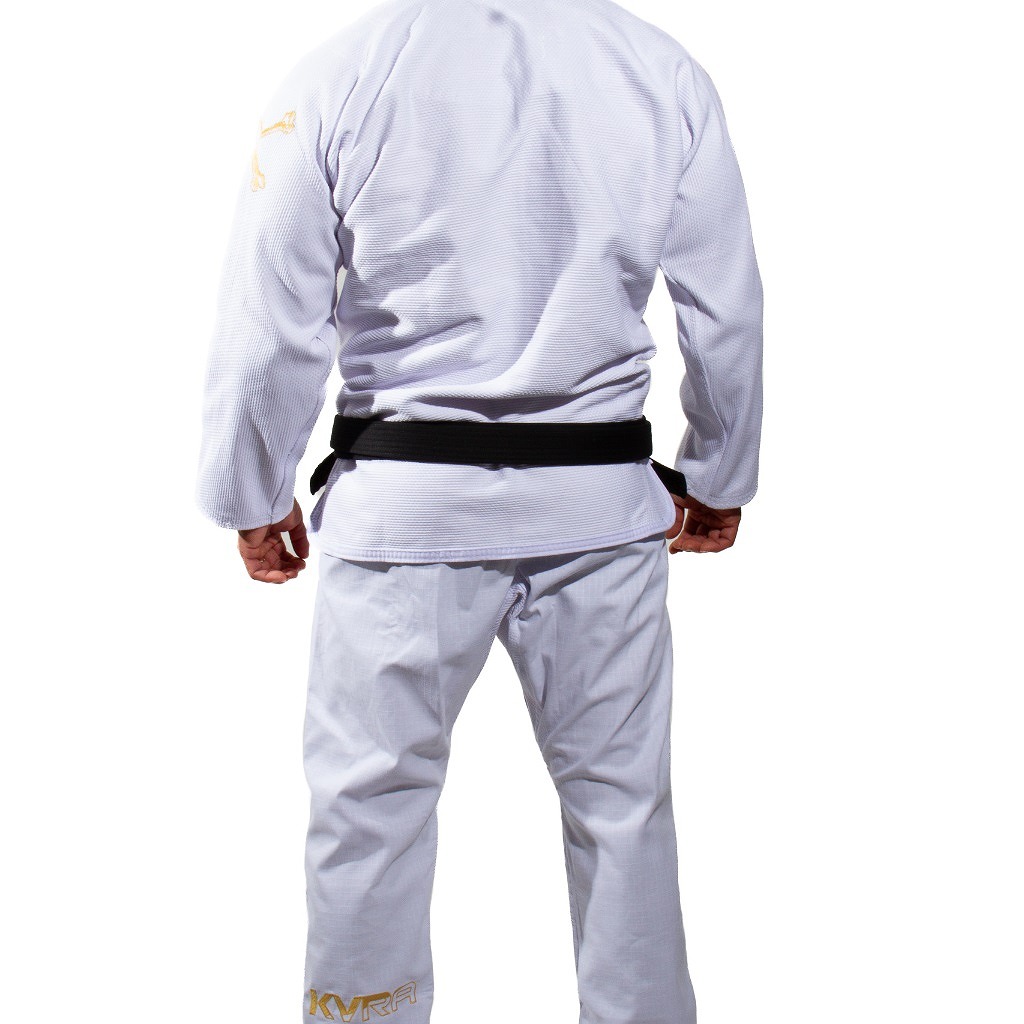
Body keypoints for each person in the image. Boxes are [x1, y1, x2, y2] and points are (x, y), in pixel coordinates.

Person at [195, 0, 763, 1020]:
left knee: (370, 813)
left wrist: (251, 487)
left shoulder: (341, 74)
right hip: (598, 511)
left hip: (403, 519)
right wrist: (720, 470)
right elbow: (725, 304)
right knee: (623, 811)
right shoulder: (657, 69)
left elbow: (270, 306)